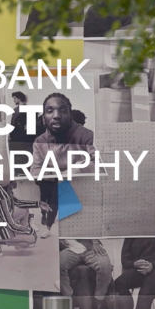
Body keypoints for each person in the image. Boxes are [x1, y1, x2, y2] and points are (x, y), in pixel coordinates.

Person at [30, 93, 96, 238]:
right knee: (49, 189)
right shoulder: (40, 141)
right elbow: (35, 168)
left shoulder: (86, 135)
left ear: (70, 115)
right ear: (43, 118)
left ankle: (49, 225)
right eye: (50, 111)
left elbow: (97, 163)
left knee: (59, 190)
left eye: (63, 110)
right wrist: (42, 176)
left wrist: (74, 171)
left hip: (77, 185)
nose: (56, 116)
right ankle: (46, 219)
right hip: (52, 180)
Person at [0, 178, 52, 257]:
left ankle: (18, 242)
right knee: (31, 239)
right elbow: (11, 224)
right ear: (10, 184)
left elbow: (19, 203)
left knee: (24, 209)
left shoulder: (4, 191)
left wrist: (38, 204)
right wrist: (29, 230)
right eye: (14, 180)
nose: (16, 182)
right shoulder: (3, 199)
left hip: (0, 222)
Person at [59, 239, 114, 309]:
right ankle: (68, 301)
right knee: (57, 263)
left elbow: (92, 228)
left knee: (105, 266)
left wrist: (95, 242)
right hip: (69, 250)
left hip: (90, 248)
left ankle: (98, 303)